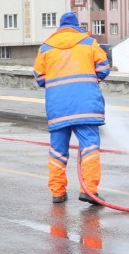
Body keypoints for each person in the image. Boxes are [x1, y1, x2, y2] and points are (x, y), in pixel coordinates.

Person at [33, 12, 110, 205]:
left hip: (58, 108)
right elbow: (103, 68)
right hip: (86, 107)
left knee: (58, 151)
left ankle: (58, 193)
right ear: (77, 27)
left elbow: (40, 78)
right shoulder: (89, 43)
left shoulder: (46, 48)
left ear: (59, 28)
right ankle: (89, 191)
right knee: (90, 147)